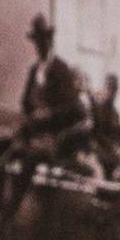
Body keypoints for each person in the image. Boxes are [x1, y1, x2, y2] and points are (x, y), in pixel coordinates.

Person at [11, 15, 84, 160]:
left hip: (53, 134)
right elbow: (25, 102)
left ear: (49, 41)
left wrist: (49, 113)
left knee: (28, 161)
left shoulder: (61, 68)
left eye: (42, 40)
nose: (39, 46)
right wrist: (24, 119)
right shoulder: (34, 70)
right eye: (36, 42)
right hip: (32, 132)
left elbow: (71, 106)